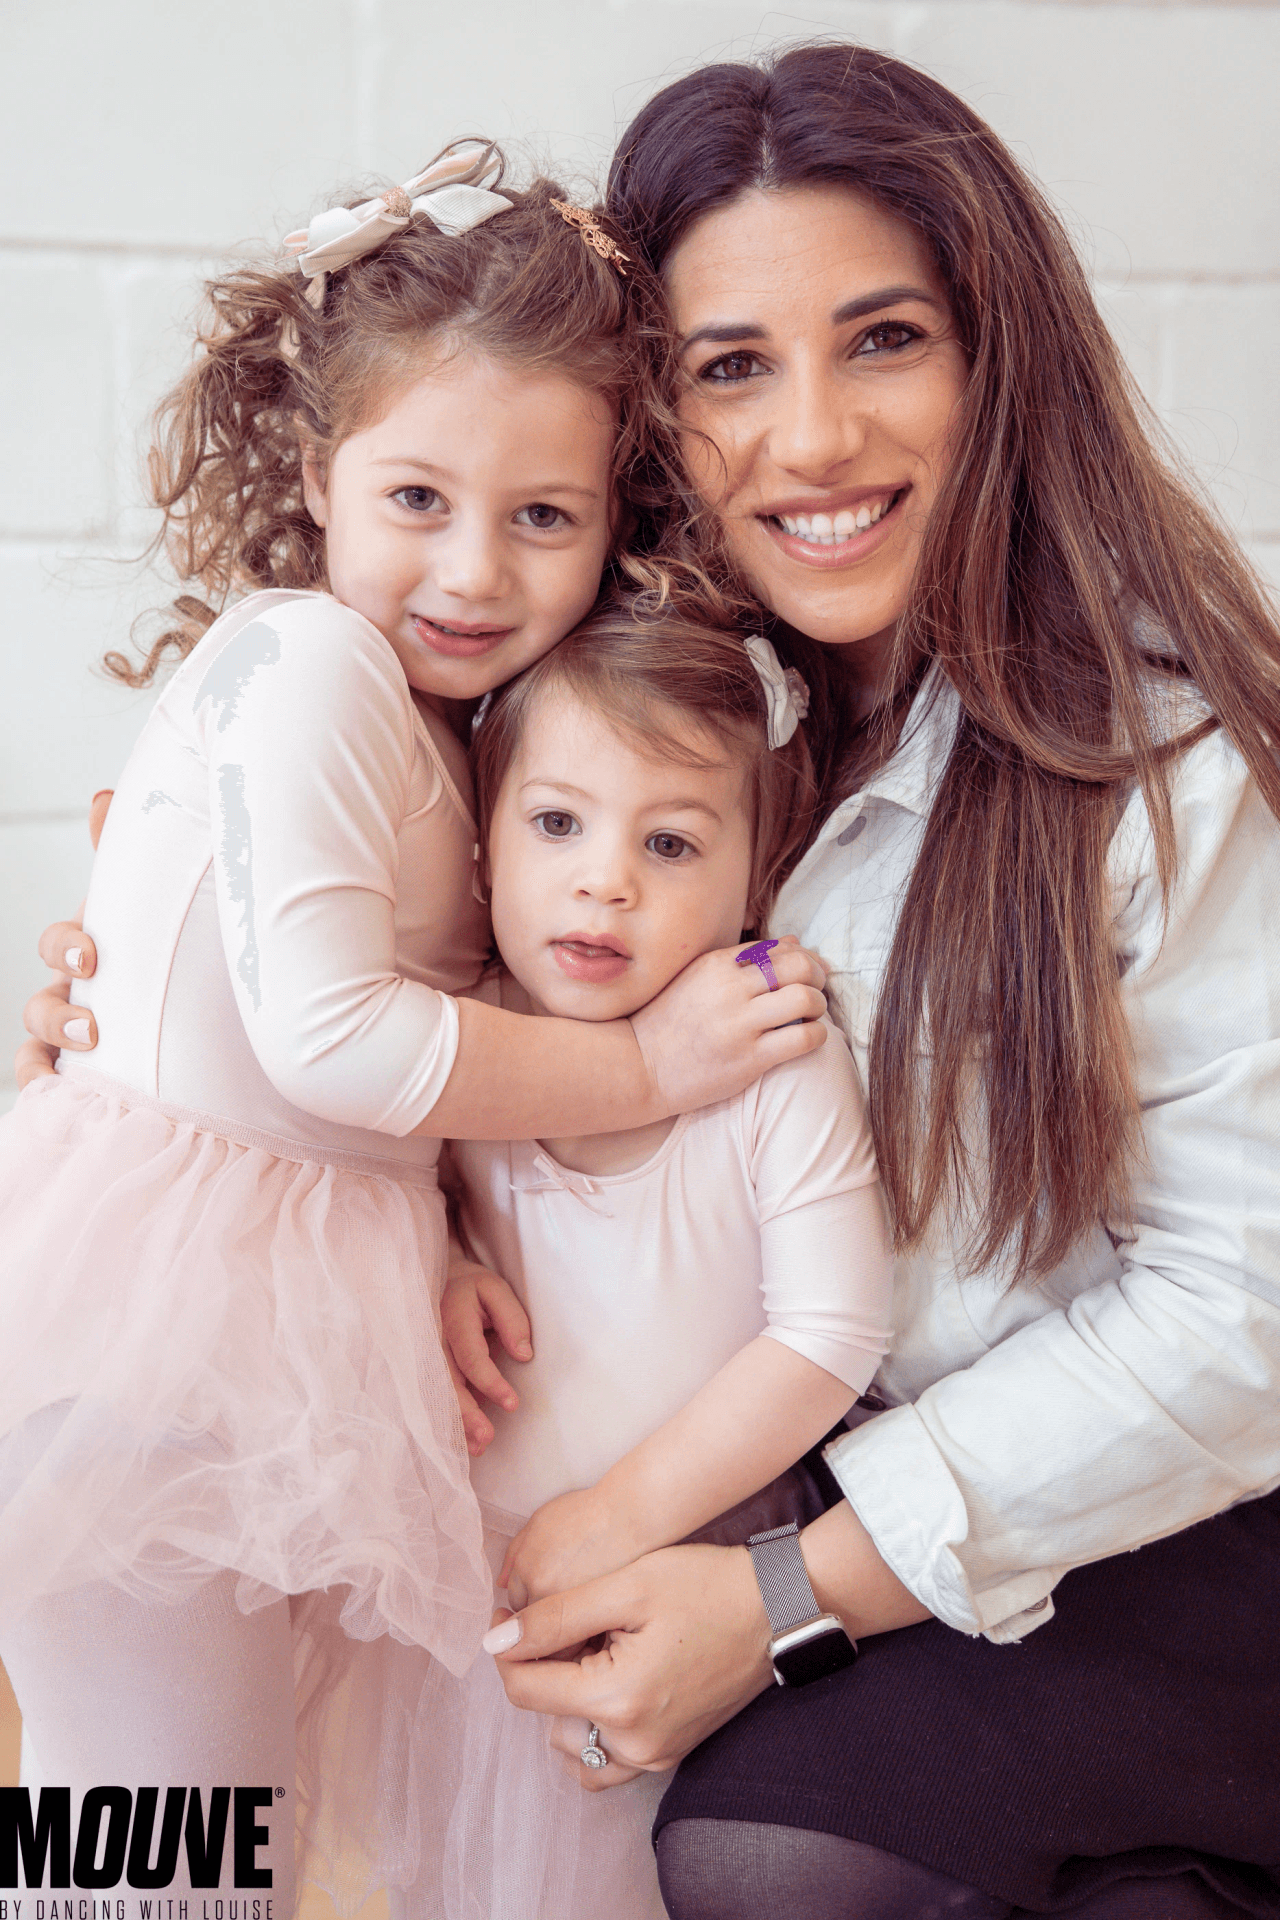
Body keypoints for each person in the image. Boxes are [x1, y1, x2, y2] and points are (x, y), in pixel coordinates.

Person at [463, 44, 1280, 1920]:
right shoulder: (627, 731)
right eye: (731, 366)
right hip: (836, 1492)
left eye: (885, 338)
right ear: (647, 415)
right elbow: (411, 994)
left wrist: (774, 1605)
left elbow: (1240, 1321)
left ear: (1001, 359)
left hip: (1181, 1519)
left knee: (779, 1852)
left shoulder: (1167, 758)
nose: (813, 438)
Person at [0, 140, 827, 1910]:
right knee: (148, 1828)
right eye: (417, 501)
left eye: (542, 516)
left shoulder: (451, 731)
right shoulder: (308, 662)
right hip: (165, 1330)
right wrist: (644, 1067)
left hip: (272, 1308)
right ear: (316, 477)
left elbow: (398, 1049)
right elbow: (336, 1048)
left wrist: (442, 1219)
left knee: (233, 1827)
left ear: (612, 526)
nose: (472, 567)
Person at [396, 601, 894, 1920]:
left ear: (756, 867)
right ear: (485, 852)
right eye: (558, 823)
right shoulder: (465, 1035)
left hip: (689, 1566)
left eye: (670, 841)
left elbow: (833, 1331)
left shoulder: (770, 1043)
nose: (605, 878)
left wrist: (619, 1518)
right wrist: (441, 1250)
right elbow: (373, 1179)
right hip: (475, 1590)